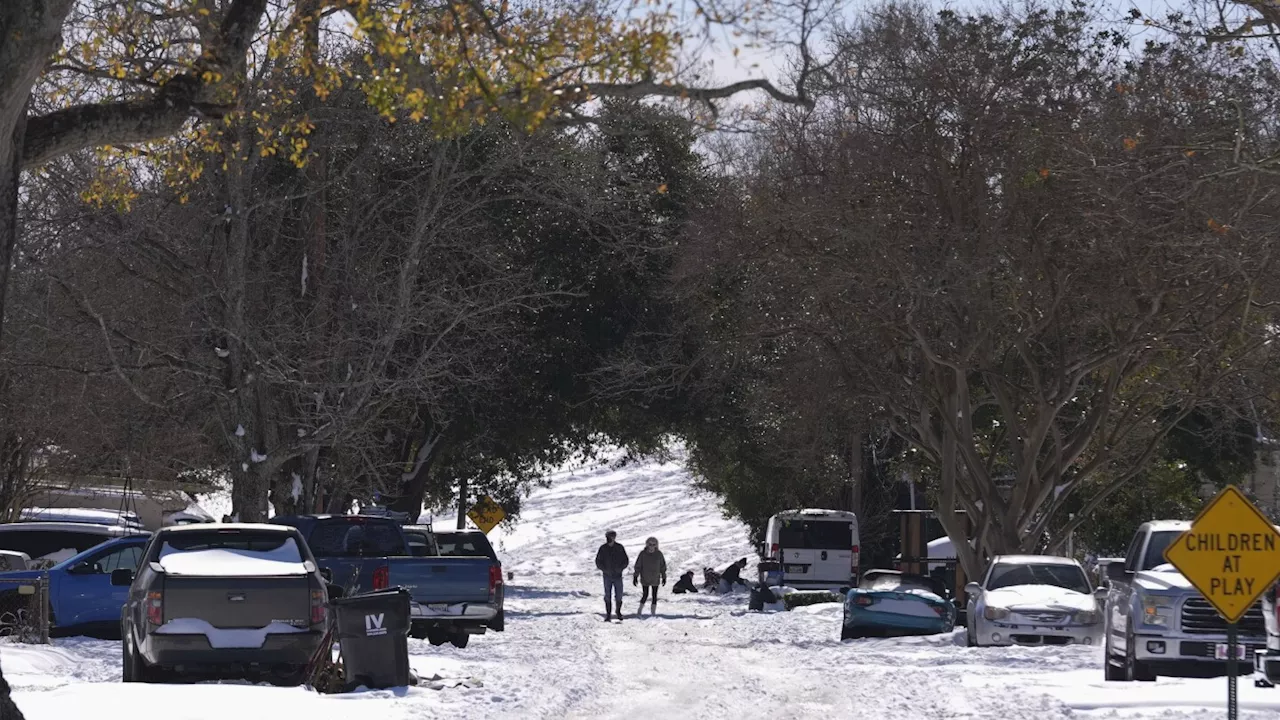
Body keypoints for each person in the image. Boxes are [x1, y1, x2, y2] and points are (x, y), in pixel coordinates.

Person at [595, 529, 629, 621]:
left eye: (613, 536)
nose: (612, 538)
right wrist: (605, 570)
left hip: (618, 575)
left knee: (619, 595)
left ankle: (618, 612)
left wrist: (620, 569)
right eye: (610, 537)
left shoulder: (619, 547)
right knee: (607, 595)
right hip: (607, 576)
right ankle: (608, 614)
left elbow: (625, 561)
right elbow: (598, 561)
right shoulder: (603, 548)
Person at [632, 536, 667, 616]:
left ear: (656, 545)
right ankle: (640, 610)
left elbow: (662, 566)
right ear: (647, 545)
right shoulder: (642, 554)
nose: (651, 546)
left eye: (653, 544)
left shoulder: (659, 554)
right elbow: (638, 565)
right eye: (650, 544)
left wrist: (664, 576)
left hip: (655, 578)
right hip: (645, 578)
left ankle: (653, 612)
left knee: (654, 595)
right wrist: (635, 576)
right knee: (645, 594)